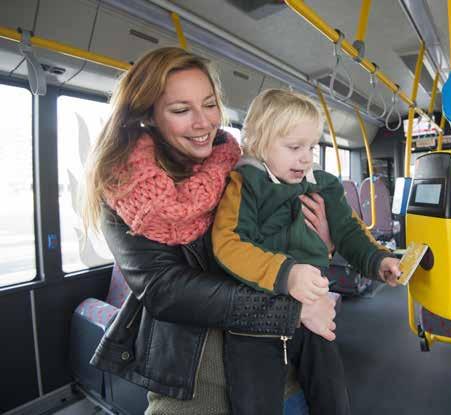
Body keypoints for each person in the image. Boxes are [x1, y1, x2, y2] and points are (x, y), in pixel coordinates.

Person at [83, 47, 338, 415]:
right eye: (181, 110)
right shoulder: (124, 188)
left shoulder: (244, 171)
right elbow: (165, 290)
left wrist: (321, 243)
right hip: (195, 393)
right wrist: (290, 312)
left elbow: (288, 249)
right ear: (148, 115)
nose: (204, 123)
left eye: (209, 104)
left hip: (280, 375)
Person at [212, 88, 402, 415]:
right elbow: (227, 243)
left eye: (312, 147)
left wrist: (377, 259)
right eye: (294, 147)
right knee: (255, 402)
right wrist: (286, 273)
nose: (306, 157)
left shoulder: (323, 185)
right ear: (258, 143)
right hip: (257, 312)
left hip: (313, 305)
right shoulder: (245, 185)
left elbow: (349, 230)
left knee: (332, 395)